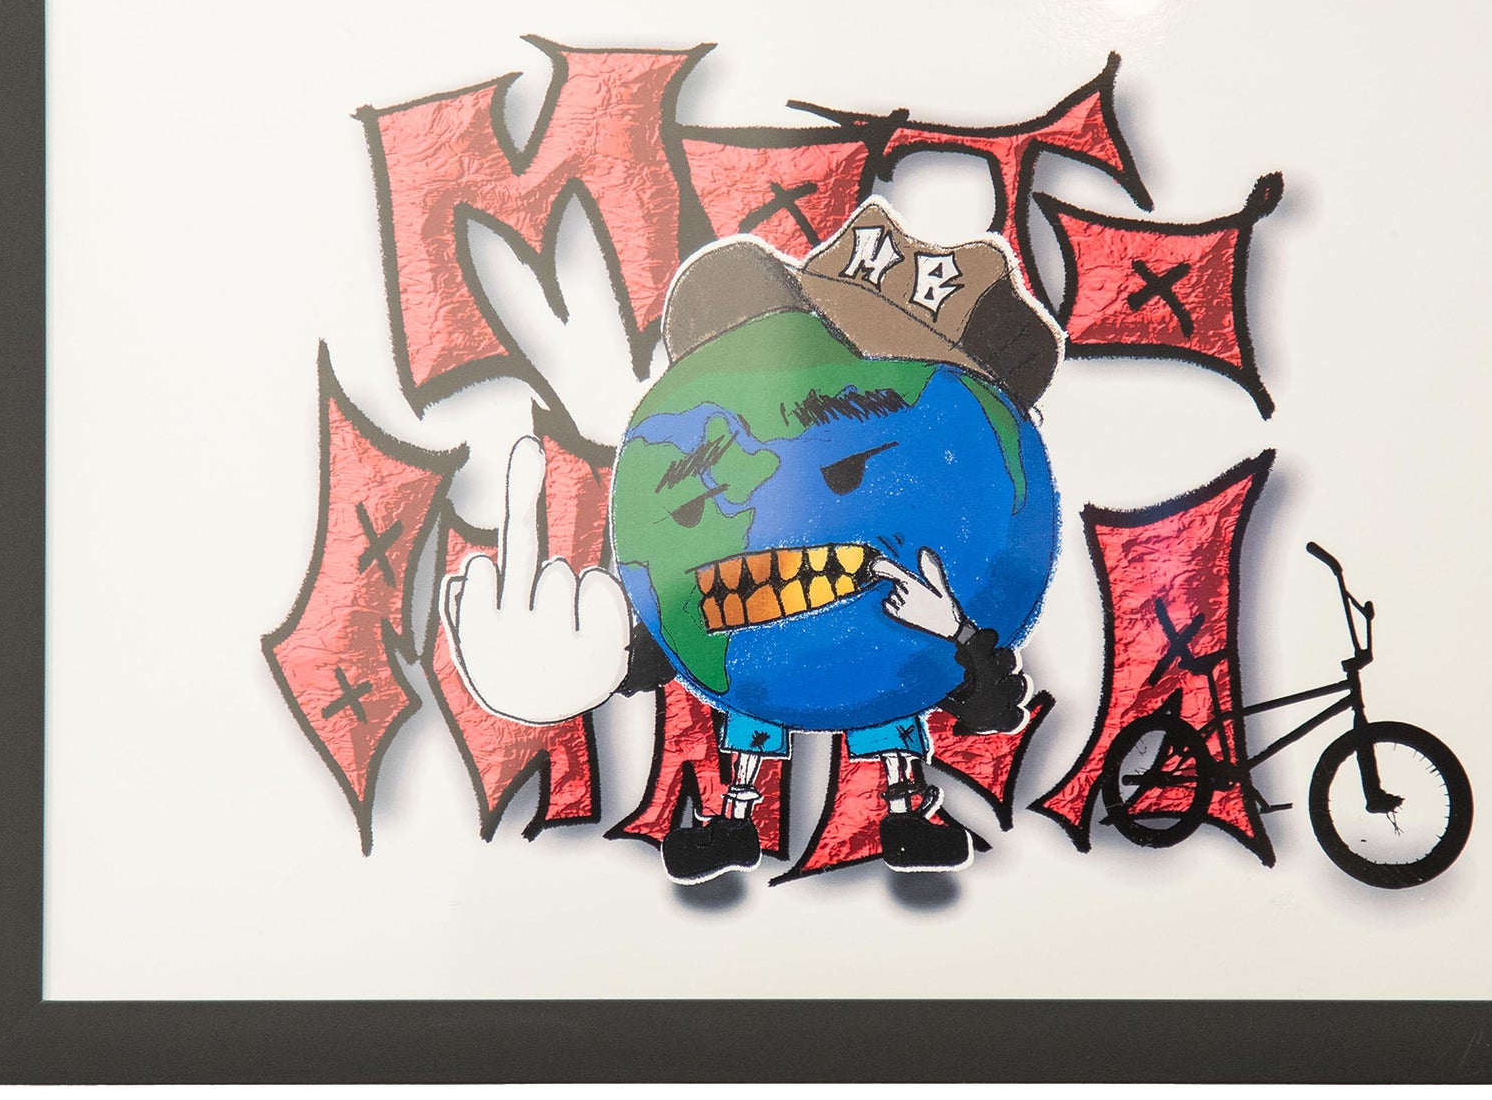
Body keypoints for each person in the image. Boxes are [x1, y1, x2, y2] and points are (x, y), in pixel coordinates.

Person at [444, 202, 1063, 884]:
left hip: (888, 672)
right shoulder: (723, 553)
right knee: (754, 725)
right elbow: (681, 621)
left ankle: (906, 814)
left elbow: (990, 701)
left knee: (882, 729)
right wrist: (590, 664)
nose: (767, 484)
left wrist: (957, 634)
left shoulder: (963, 553)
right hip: (766, 679)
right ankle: (737, 821)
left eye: (850, 464)